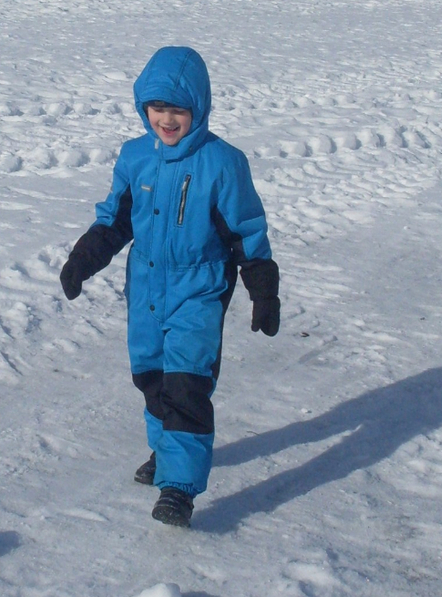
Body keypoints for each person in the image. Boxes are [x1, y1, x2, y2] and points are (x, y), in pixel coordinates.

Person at [59, 46, 280, 528]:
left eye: (178, 109)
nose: (166, 119)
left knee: (187, 381)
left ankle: (179, 487)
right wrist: (83, 259)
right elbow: (116, 219)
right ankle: (166, 450)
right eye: (157, 107)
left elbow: (245, 231)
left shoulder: (222, 163)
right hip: (145, 286)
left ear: (198, 108)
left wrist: (263, 290)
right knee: (152, 376)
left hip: (199, 287)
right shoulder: (135, 156)